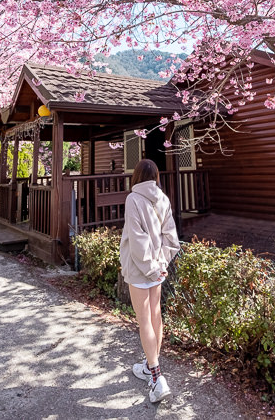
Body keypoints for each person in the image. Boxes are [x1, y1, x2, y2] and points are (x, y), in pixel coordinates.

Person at [119, 158, 180, 404]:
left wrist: (152, 268)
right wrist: (161, 264)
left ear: (136, 177)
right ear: (156, 177)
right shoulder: (163, 199)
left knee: (145, 320)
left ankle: (156, 377)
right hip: (158, 268)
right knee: (156, 316)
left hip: (141, 268)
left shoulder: (133, 199)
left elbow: (137, 239)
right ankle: (148, 366)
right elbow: (171, 237)